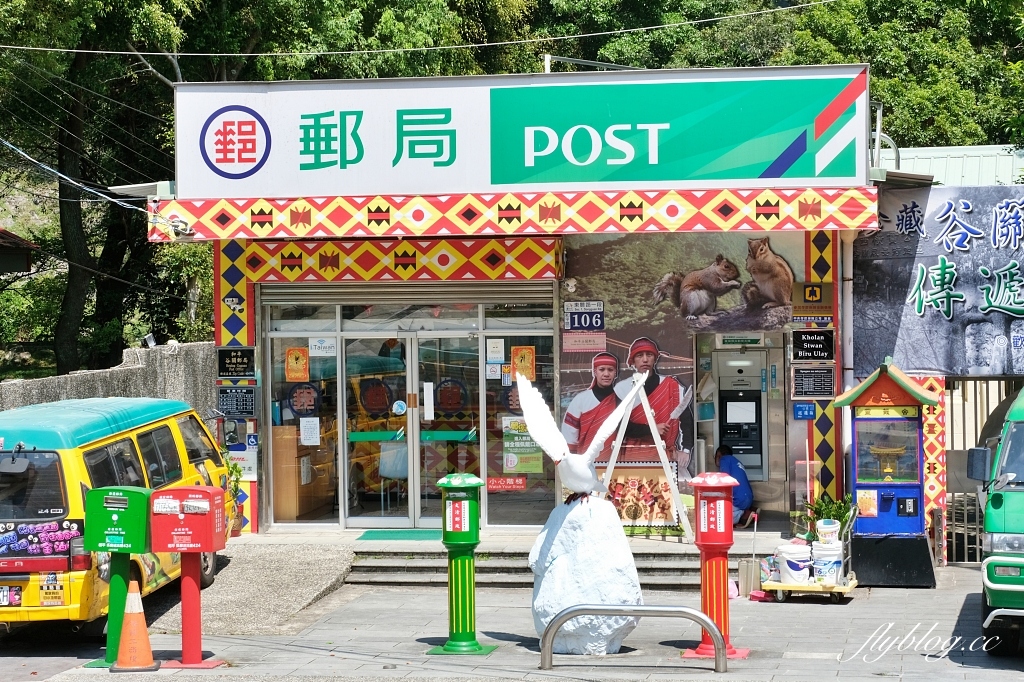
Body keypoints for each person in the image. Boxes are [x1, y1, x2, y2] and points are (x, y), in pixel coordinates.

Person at [613, 338, 692, 466]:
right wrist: (652, 429)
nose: (645, 359)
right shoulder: (621, 389)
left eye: (649, 355)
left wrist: (686, 450)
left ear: (655, 359)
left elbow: (687, 421)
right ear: (633, 360)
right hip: (633, 457)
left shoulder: (672, 386)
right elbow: (620, 426)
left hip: (666, 456)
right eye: (639, 355)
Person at [561, 352, 620, 456]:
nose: (606, 374)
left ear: (615, 373)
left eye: (610, 370)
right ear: (594, 372)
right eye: (602, 369)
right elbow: (569, 433)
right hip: (586, 460)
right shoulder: (581, 400)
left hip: (615, 460)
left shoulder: (621, 400)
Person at [714, 444, 759, 528]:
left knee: (719, 519)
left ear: (718, 455)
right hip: (747, 498)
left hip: (739, 500)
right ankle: (750, 510)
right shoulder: (736, 462)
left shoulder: (724, 459)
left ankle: (744, 515)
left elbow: (724, 480)